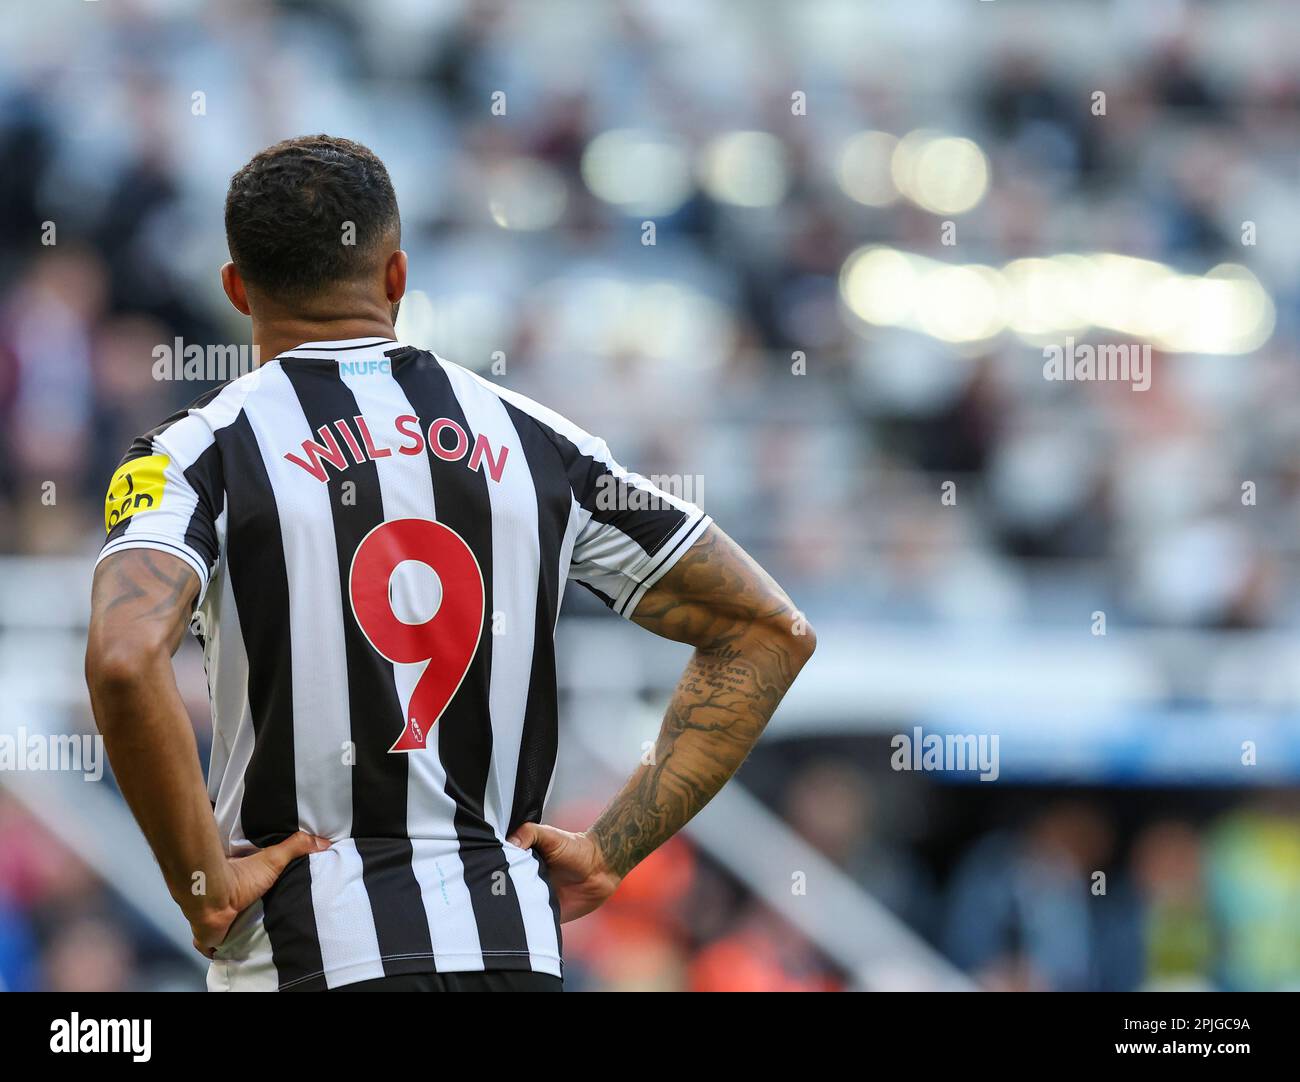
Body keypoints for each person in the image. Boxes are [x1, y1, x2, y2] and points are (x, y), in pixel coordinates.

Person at [84, 135, 815, 992]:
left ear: (236, 288)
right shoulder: (542, 444)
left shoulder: (196, 455)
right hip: (514, 951)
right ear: (397, 277)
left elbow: (126, 657)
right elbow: (768, 630)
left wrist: (202, 883)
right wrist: (612, 849)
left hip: (311, 952)